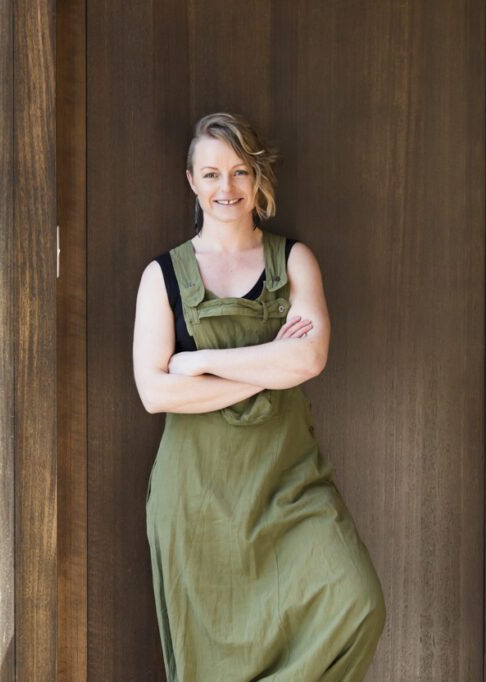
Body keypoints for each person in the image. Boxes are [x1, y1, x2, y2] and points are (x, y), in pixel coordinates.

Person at [133, 112, 386, 680]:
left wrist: (199, 363)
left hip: (287, 486)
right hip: (197, 500)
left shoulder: (294, 260)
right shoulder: (163, 276)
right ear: (192, 181)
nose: (227, 188)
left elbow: (309, 358)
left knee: (358, 603)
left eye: (240, 171)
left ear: (257, 178)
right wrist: (269, 368)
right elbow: (154, 391)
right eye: (212, 173)